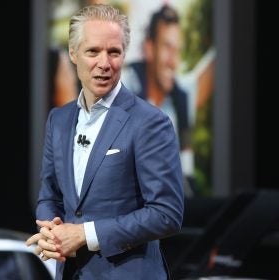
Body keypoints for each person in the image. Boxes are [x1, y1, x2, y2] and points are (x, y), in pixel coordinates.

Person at [26, 4, 184, 280]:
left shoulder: (149, 122)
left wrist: (83, 234)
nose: (104, 63)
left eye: (114, 52)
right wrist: (51, 230)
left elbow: (166, 214)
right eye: (93, 51)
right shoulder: (59, 120)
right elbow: (50, 195)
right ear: (74, 54)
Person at [122, 5, 195, 195]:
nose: (173, 61)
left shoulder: (181, 100)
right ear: (149, 48)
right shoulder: (123, 87)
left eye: (177, 50)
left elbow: (186, 173)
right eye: (167, 47)